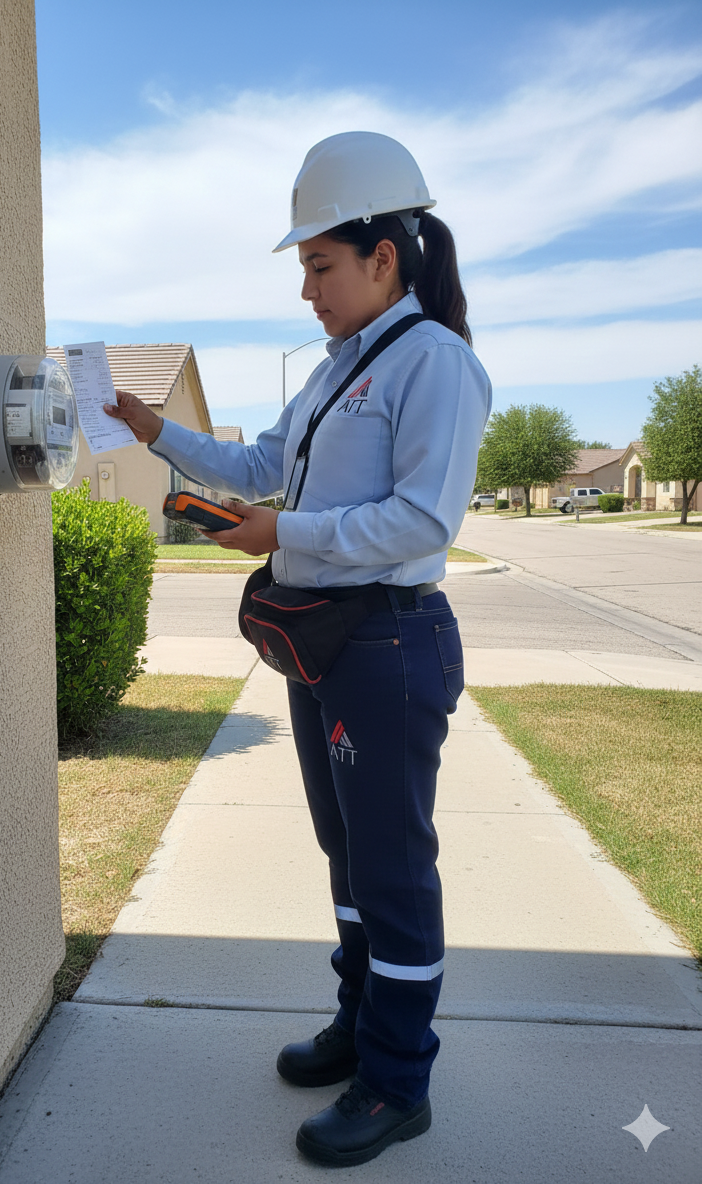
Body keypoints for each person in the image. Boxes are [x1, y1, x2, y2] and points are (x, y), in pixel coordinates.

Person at [104, 131, 491, 1168]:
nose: (309, 289)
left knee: (395, 867)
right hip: (332, 644)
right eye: (308, 267)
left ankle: (397, 1080)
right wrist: (153, 428)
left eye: (321, 265)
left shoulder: (437, 363)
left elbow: (422, 522)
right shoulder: (339, 367)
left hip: (392, 639)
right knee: (347, 852)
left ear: (384, 257)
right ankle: (359, 1026)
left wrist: (287, 533)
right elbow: (266, 459)